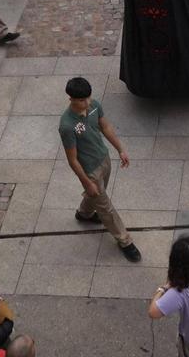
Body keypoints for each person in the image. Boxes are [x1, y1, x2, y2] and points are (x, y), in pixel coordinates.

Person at [61, 77, 141, 261]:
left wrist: (120, 149)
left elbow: (105, 126)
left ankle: (84, 214)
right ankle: (124, 240)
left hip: (104, 159)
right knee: (106, 207)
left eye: (88, 98)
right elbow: (72, 160)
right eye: (82, 100)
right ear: (71, 99)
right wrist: (87, 182)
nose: (87, 103)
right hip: (90, 170)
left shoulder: (94, 105)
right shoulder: (67, 125)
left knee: (96, 195)